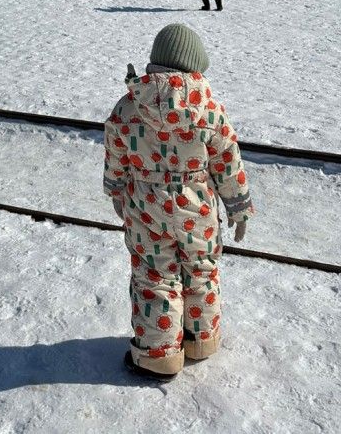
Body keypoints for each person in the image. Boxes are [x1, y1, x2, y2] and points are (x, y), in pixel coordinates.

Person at [104, 23, 253, 381]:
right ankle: (201, 338)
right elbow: (227, 161)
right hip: (197, 207)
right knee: (201, 269)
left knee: (155, 276)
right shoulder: (209, 110)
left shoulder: (128, 108)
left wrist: (116, 189)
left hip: (145, 206)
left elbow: (116, 155)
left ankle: (159, 356)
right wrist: (238, 206)